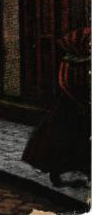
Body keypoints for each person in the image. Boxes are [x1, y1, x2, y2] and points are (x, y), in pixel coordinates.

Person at [22, 27, 91, 187]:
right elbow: (64, 82)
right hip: (69, 104)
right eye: (88, 43)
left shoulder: (88, 59)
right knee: (61, 138)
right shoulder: (69, 60)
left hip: (85, 103)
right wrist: (77, 101)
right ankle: (56, 175)